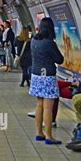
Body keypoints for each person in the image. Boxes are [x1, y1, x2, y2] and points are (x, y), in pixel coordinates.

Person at [29, 17, 64, 145]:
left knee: (39, 105)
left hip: (36, 75)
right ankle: (49, 136)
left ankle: (39, 133)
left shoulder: (34, 40)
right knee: (48, 107)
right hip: (48, 76)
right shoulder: (49, 43)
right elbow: (59, 59)